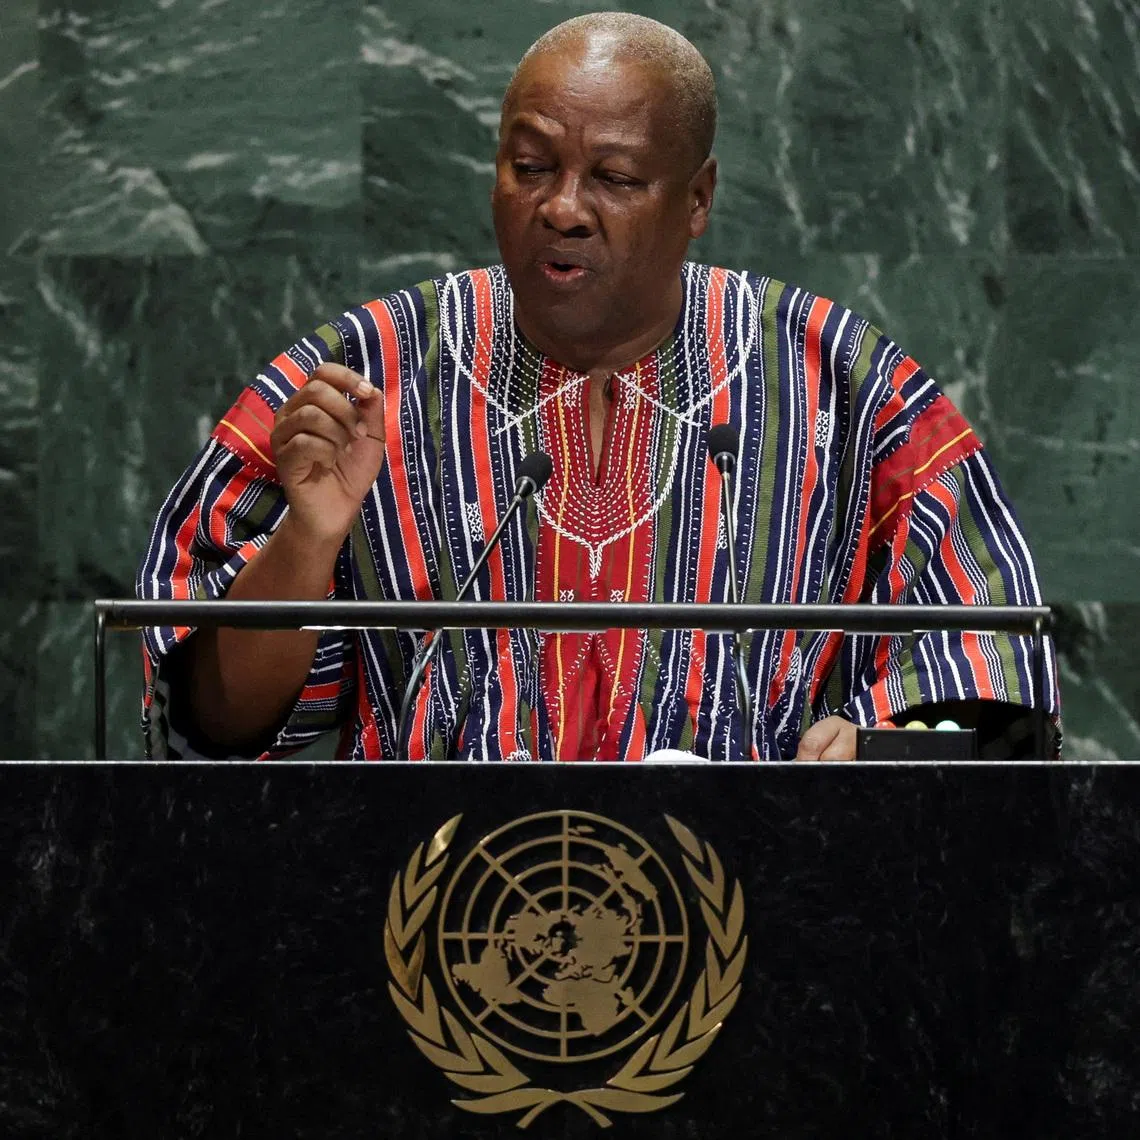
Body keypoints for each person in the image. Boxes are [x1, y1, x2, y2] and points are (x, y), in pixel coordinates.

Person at [137, 12, 1059, 762]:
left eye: (614, 178)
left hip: (756, 915)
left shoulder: (843, 380)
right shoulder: (360, 373)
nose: (563, 208)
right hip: (435, 915)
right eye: (530, 166)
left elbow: (994, 692)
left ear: (696, 201)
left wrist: (879, 745)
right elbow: (212, 723)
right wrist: (308, 539)